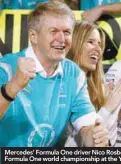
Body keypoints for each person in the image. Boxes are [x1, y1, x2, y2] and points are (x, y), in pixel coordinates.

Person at [0, 1, 108, 147]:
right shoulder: (6, 67)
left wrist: (94, 137)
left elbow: (86, 127)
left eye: (67, 32)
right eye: (53, 31)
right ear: (33, 36)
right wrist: (13, 87)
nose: (61, 39)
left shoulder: (74, 73)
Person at [61, 21, 121, 146]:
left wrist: (114, 109)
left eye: (99, 44)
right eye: (90, 42)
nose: (98, 49)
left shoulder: (100, 89)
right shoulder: (61, 87)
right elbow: (71, 144)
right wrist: (107, 109)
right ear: (75, 44)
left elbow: (109, 142)